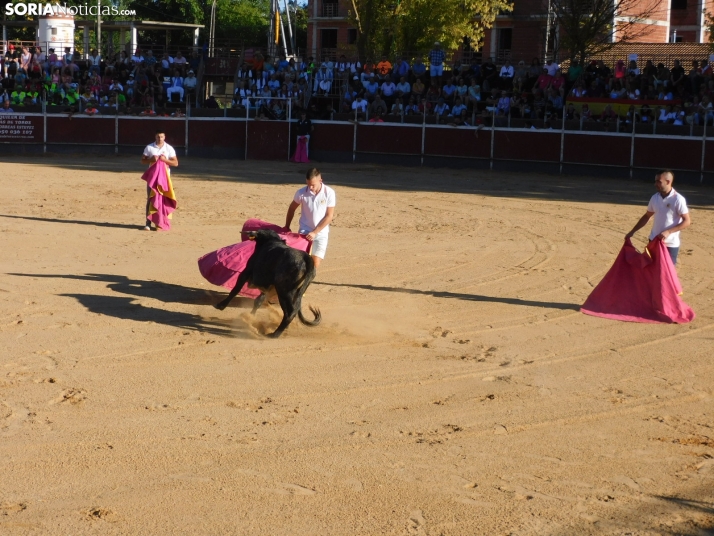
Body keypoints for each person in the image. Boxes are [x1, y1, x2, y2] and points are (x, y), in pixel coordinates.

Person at [625, 170, 691, 265]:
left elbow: (687, 221)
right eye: (655, 181)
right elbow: (647, 216)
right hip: (654, 241)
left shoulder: (678, 199)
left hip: (670, 244)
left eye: (658, 181)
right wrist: (632, 231)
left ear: (668, 182)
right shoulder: (654, 198)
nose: (655, 184)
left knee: (667, 274)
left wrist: (668, 232)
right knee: (652, 272)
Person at [284, 168, 336, 270]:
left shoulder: (329, 193)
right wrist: (287, 226)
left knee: (314, 264)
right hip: (305, 231)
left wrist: (315, 232)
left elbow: (329, 216)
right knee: (300, 263)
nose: (310, 187)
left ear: (320, 181)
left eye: (313, 185)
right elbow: (291, 209)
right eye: (308, 184)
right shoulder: (301, 193)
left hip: (321, 233)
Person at [140, 130, 179, 230]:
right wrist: (151, 160)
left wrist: (164, 160)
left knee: (163, 200)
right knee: (150, 198)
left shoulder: (169, 148)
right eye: (158, 137)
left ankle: (160, 222)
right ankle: (148, 223)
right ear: (155, 137)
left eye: (161, 137)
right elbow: (142, 161)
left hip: (165, 178)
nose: (160, 138)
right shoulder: (149, 147)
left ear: (164, 137)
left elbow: (175, 163)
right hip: (153, 178)